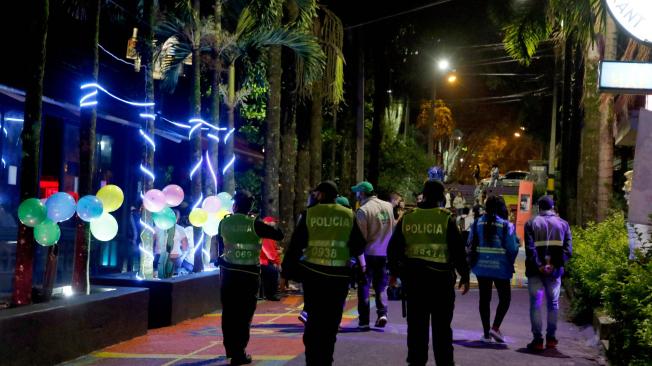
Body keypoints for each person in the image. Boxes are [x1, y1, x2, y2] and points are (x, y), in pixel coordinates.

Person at [282, 181, 366, 365]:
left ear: (319, 194)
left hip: (313, 275)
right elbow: (359, 245)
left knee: (313, 318)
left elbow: (296, 245)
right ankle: (326, 359)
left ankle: (312, 359)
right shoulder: (348, 214)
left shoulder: (309, 214)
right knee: (331, 321)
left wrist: (287, 272)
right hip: (338, 277)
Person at [388, 180, 470, 366]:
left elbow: (394, 249)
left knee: (417, 330)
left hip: (415, 283)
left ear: (423, 195)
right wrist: (464, 275)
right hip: (441, 284)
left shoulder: (408, 218)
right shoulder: (445, 218)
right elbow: (458, 251)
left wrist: (394, 273)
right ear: (441, 198)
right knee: (442, 330)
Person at [218, 190, 284, 365]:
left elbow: (221, 246)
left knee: (229, 313)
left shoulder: (224, 223)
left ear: (235, 205)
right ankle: (239, 352)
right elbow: (279, 235)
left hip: (229, 274)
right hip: (248, 276)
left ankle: (230, 349)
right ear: (250, 206)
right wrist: (265, 223)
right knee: (244, 313)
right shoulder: (255, 224)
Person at [467, 196, 519, 343]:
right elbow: (512, 248)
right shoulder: (506, 225)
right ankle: (495, 328)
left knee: (484, 299)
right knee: (505, 298)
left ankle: (486, 333)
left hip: (481, 267)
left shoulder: (477, 222)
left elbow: (470, 242)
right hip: (501, 268)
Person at [524, 196, 572, 351]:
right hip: (554, 273)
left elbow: (530, 249)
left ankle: (537, 340)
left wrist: (540, 266)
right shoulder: (563, 224)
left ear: (539, 207)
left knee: (537, 304)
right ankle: (551, 338)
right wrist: (553, 265)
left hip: (536, 272)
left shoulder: (531, 223)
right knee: (553, 303)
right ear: (553, 208)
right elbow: (568, 250)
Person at [352, 181, 397, 330]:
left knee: (364, 286)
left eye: (358, 193)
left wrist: (360, 259)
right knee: (381, 286)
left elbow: (361, 237)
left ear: (363, 193)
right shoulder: (388, 206)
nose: (357, 196)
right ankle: (382, 313)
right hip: (385, 252)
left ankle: (364, 320)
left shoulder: (363, 211)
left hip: (368, 253)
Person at [260, 216, 282, 301]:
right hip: (263, 261)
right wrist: (277, 263)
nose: (275, 224)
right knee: (273, 270)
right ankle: (271, 294)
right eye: (274, 222)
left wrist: (277, 251)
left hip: (266, 260)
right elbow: (270, 253)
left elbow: (272, 250)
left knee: (273, 269)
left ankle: (271, 292)